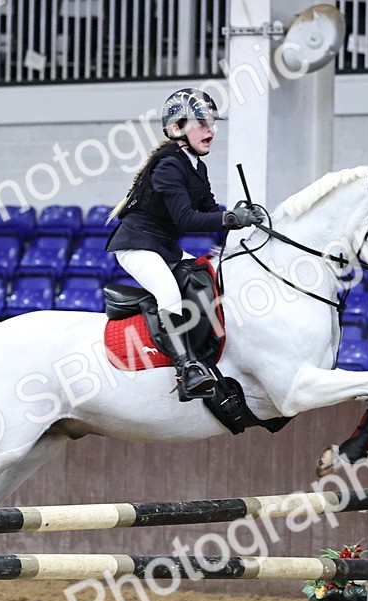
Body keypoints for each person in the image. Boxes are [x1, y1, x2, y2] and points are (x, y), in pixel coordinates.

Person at [106, 88, 265, 401]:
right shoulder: (168, 166)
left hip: (163, 246)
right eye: (202, 123)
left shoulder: (196, 166)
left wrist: (244, 219)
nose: (211, 130)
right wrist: (231, 219)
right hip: (137, 245)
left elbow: (209, 211)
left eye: (212, 123)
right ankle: (187, 368)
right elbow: (188, 220)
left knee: (207, 276)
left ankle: (208, 349)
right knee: (169, 293)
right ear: (177, 129)